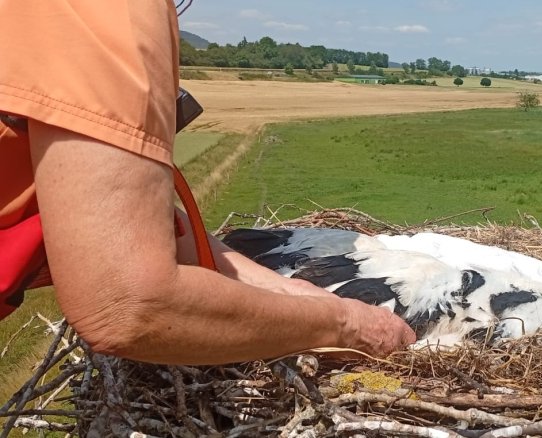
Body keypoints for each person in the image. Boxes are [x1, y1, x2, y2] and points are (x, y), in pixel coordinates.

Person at [0, 1, 415, 364]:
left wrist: (301, 295)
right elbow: (129, 307)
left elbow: (122, 220)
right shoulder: (108, 10)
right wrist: (345, 326)